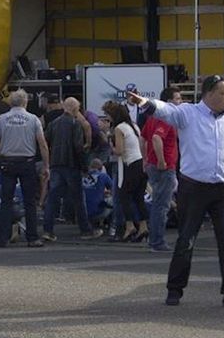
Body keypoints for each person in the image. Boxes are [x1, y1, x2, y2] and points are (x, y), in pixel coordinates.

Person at [128, 75, 224, 308]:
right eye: (223, 93)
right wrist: (143, 102)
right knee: (186, 240)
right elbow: (165, 110)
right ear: (209, 94)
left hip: (222, 189)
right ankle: (175, 289)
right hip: (194, 187)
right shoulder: (188, 113)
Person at [0, 89, 50, 248]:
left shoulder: (2, 119)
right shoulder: (33, 119)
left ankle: (2, 238)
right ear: (25, 102)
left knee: (6, 201)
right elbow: (42, 144)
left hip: (7, 163)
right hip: (27, 163)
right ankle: (32, 237)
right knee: (29, 201)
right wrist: (46, 165)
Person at [42, 97, 96, 242]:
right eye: (77, 109)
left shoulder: (53, 123)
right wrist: (84, 166)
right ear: (73, 109)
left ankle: (48, 230)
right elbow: (78, 147)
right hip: (71, 165)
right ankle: (85, 230)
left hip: (56, 164)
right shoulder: (75, 124)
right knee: (78, 199)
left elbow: (45, 141)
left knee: (52, 198)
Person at [102, 100, 148, 243]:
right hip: (140, 163)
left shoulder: (119, 129)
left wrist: (110, 144)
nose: (106, 118)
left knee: (123, 196)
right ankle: (143, 226)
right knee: (138, 197)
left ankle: (129, 226)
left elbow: (120, 151)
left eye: (107, 115)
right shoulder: (133, 126)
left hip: (129, 164)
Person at [143, 87, 181, 252]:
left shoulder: (152, 117)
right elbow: (157, 137)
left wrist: (146, 158)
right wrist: (161, 160)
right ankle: (157, 241)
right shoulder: (166, 118)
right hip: (164, 166)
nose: (180, 103)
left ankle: (154, 239)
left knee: (158, 202)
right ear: (170, 101)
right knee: (162, 205)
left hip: (153, 164)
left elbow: (143, 137)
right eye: (178, 99)